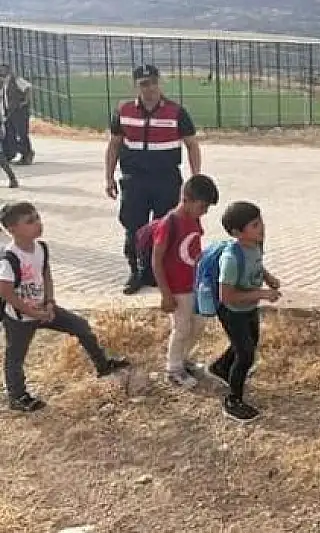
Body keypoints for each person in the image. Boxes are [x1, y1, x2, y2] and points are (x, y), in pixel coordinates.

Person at [0, 202, 130, 412]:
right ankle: (17, 396)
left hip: (44, 309)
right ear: (12, 229)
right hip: (20, 318)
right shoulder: (10, 258)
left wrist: (50, 302)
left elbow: (46, 274)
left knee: (80, 326)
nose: (38, 223)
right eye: (30, 221)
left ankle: (103, 364)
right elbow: (6, 292)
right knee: (15, 357)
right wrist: (31, 312)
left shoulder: (41, 248)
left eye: (38, 217)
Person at [105, 64, 202, 296]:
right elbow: (114, 145)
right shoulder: (124, 110)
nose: (150, 88)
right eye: (144, 84)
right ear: (136, 86)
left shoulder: (177, 112)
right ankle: (138, 273)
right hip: (134, 180)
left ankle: (162, 274)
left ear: (160, 83)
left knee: (166, 228)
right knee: (134, 228)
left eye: (154, 82)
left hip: (166, 180)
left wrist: (196, 178)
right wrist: (108, 177)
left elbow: (191, 144)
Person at [206, 201, 281, 423]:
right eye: (255, 225)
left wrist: (268, 278)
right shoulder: (230, 258)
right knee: (246, 355)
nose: (262, 228)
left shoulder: (254, 246)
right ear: (238, 233)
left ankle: (220, 367)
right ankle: (233, 400)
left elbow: (257, 265)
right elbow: (226, 296)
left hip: (248, 308)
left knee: (249, 343)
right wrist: (262, 294)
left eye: (261, 221)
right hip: (232, 311)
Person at [152, 174, 220, 388]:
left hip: (195, 284)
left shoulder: (194, 219)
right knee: (181, 328)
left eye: (207, 207)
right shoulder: (169, 223)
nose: (205, 211)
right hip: (177, 289)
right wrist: (166, 294)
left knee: (198, 323)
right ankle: (173, 369)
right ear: (186, 199)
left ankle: (183, 359)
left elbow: (194, 249)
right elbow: (157, 260)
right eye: (202, 206)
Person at [0, 64, 33, 165]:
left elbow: (27, 87)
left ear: (8, 70)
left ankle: (27, 155)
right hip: (10, 112)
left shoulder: (15, 79)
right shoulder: (4, 82)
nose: (1, 71)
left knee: (21, 133)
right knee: (9, 133)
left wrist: (25, 102)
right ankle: (10, 154)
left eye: (3, 69)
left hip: (19, 111)